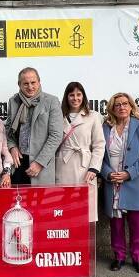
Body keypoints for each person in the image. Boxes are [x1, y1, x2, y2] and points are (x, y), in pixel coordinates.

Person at [100, 92, 139, 273]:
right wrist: (107, 173)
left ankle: (138, 258)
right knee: (116, 224)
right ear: (112, 109)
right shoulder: (105, 127)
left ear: (131, 106)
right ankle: (119, 256)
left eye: (125, 104)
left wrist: (128, 174)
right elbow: (99, 155)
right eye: (117, 105)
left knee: (137, 223)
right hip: (112, 182)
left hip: (135, 182)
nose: (121, 107)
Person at [54, 81, 104, 223]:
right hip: (63, 165)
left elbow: (99, 144)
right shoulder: (58, 116)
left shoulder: (93, 116)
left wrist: (94, 168)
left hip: (85, 167)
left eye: (78, 94)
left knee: (85, 209)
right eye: (71, 95)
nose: (75, 98)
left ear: (83, 96)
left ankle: (85, 244)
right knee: (64, 208)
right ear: (66, 97)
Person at [5, 67, 62, 186]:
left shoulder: (51, 101)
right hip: (18, 164)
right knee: (18, 203)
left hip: (41, 166)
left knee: (41, 204)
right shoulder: (13, 101)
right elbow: (8, 132)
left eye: (33, 82)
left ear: (39, 82)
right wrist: (12, 147)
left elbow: (56, 135)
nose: (30, 87)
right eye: (25, 83)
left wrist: (40, 163)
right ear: (19, 84)